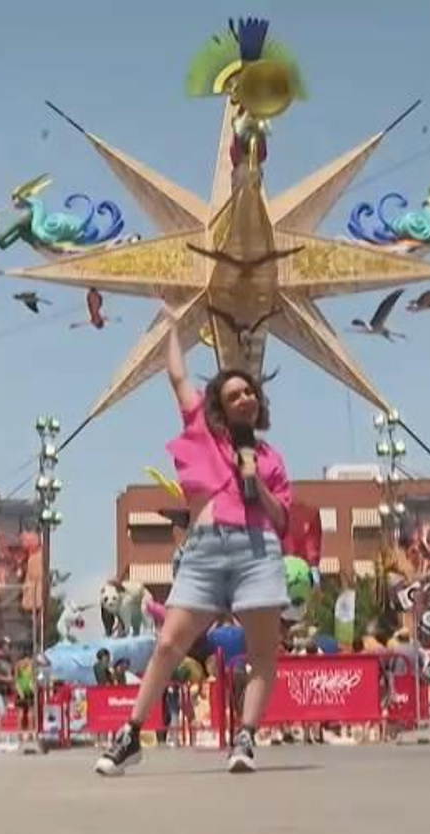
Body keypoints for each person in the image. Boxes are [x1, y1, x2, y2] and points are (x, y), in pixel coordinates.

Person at [95, 310, 292, 777]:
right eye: (233, 394)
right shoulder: (202, 433)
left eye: (249, 392)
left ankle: (244, 738)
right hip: (204, 551)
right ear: (220, 408)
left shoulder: (270, 458)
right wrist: (168, 323)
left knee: (263, 653)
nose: (245, 397)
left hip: (257, 552)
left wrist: (257, 482)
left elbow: (282, 518)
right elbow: (178, 374)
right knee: (168, 644)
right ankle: (131, 734)